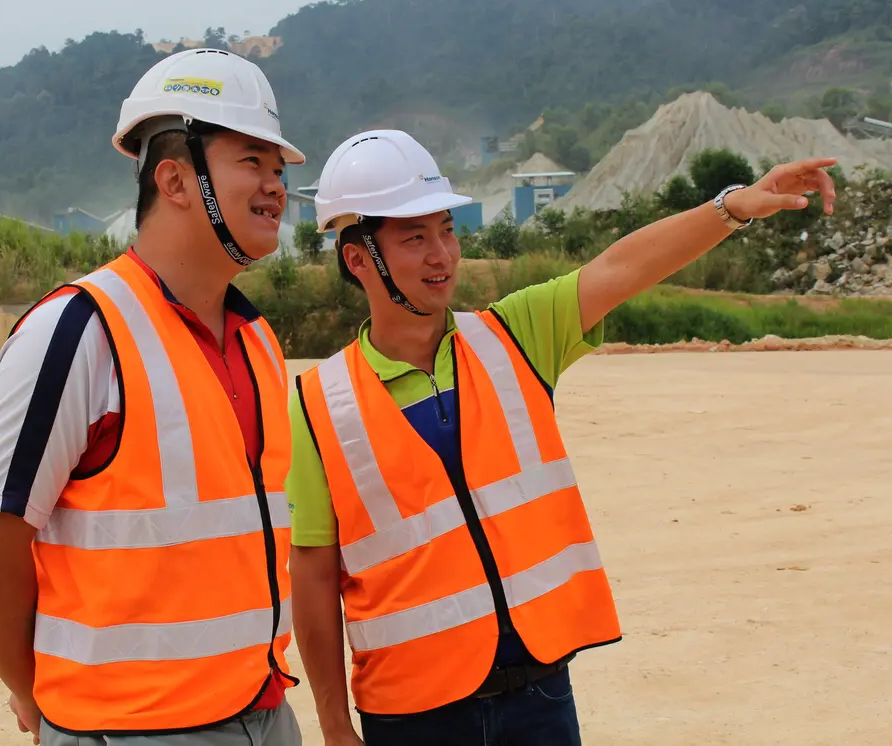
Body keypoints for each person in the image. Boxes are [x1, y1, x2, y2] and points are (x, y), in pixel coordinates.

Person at [286, 129, 837, 746]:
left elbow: (623, 267)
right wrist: (333, 722)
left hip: (539, 696)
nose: (442, 253)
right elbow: (313, 571)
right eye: (415, 238)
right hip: (411, 714)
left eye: (446, 229)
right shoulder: (318, 404)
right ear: (358, 258)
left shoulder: (514, 337)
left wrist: (731, 207)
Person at [0, 48, 307, 746]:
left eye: (279, 168)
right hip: (131, 732)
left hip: (265, 714)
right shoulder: (79, 331)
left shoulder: (256, 337)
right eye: (252, 162)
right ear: (174, 179)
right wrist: (39, 697)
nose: (275, 186)